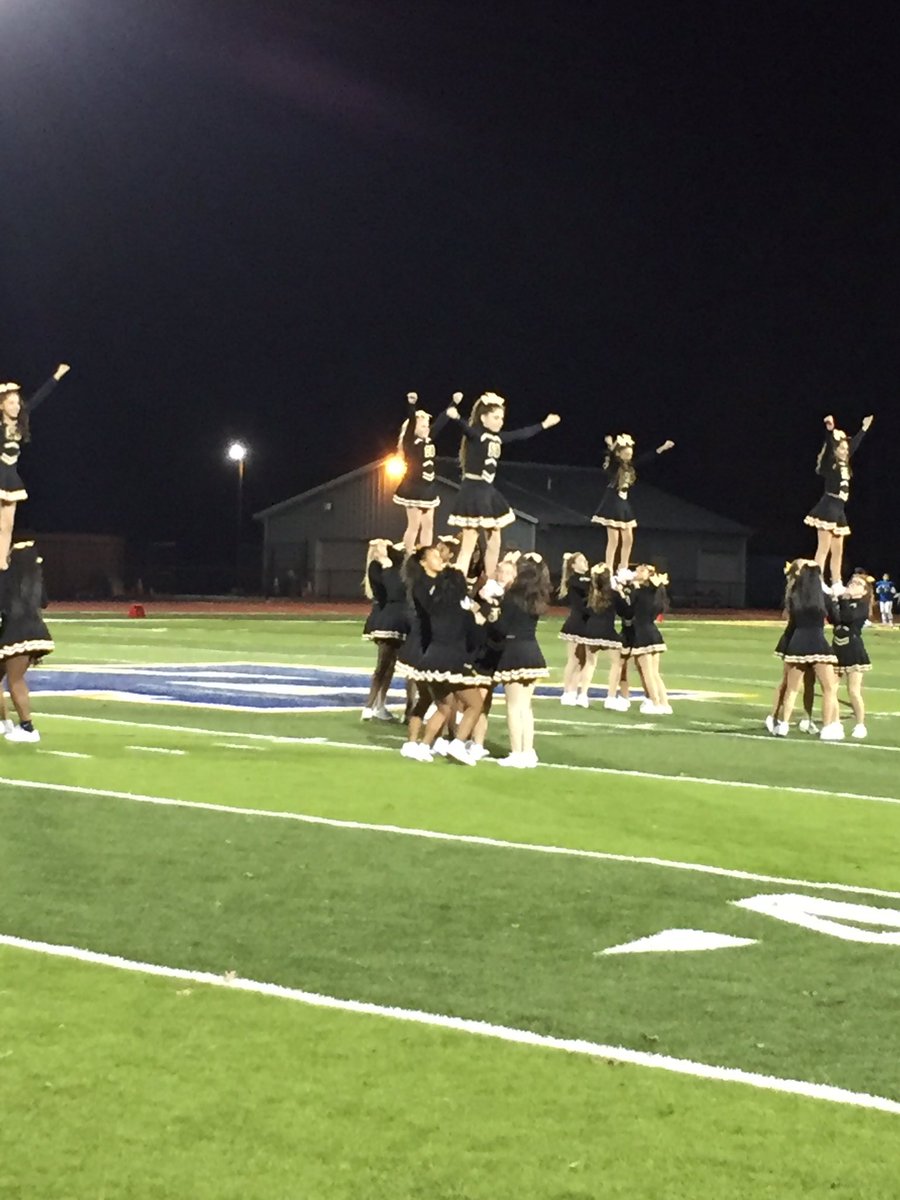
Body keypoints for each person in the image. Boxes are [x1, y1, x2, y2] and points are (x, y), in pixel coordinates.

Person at [446, 393, 561, 578]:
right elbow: (468, 429)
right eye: (496, 417)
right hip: (474, 491)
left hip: (488, 491)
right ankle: (457, 586)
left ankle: (491, 581)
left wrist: (544, 424)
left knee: (495, 539)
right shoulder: (477, 434)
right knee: (469, 541)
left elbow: (520, 435)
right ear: (483, 418)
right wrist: (457, 417)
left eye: (502, 418)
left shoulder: (496, 438)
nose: (500, 422)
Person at [406, 559, 492, 764]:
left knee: (445, 707)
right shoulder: (463, 614)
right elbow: (476, 640)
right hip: (452, 664)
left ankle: (424, 746)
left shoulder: (433, 610)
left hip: (429, 662)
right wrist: (480, 620)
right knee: (475, 704)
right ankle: (458, 743)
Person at [0, 365, 71, 568]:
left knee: (8, 524)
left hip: (10, 478)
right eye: (11, 403)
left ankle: (2, 562)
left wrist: (56, 376)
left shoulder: (21, 421)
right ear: (2, 406)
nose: (16, 406)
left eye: (17, 403)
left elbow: (39, 398)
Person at [486, 555, 552, 767]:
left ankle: (517, 753)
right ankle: (528, 751)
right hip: (533, 651)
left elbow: (501, 628)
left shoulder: (511, 595)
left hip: (514, 651)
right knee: (526, 707)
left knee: (514, 707)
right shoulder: (537, 595)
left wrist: (491, 614)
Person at [773, 560, 841, 739]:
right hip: (818, 642)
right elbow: (836, 619)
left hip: (797, 643)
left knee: (792, 689)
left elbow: (792, 623)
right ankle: (827, 728)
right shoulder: (822, 598)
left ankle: (784, 725)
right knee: (829, 688)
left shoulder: (793, 596)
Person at [804, 413, 873, 585]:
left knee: (838, 551)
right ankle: (817, 582)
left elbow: (854, 445)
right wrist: (831, 430)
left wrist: (864, 428)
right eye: (841, 448)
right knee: (823, 549)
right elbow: (830, 444)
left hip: (839, 510)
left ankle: (836, 583)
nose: (844, 451)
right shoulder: (830, 463)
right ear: (835, 450)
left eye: (845, 448)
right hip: (828, 506)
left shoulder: (845, 463)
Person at [591, 432, 674, 571]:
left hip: (623, 502)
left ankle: (623, 566)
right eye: (626, 454)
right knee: (614, 540)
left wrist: (662, 448)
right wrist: (612, 445)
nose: (629, 457)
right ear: (619, 454)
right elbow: (612, 458)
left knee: (628, 539)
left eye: (631, 454)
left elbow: (646, 458)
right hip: (612, 501)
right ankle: (609, 568)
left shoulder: (630, 466)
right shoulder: (614, 467)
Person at [0, 539, 55, 742]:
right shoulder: (34, 579)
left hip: (14, 632)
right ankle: (4, 723)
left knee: (14, 679)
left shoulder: (7, 577)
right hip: (32, 630)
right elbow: (45, 602)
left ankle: (28, 728)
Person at [392, 392, 454, 552]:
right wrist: (412, 405)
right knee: (414, 525)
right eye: (423, 426)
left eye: (427, 426)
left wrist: (453, 404)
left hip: (428, 486)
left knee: (428, 524)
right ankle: (408, 555)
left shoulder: (428, 439)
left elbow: (440, 423)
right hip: (413, 487)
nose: (427, 429)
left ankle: (425, 554)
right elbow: (412, 421)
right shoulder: (410, 441)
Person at [361, 540, 408, 721]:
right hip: (387, 618)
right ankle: (369, 705)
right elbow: (387, 592)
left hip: (393, 617)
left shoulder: (394, 567)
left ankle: (380, 705)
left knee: (390, 666)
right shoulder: (379, 568)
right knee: (382, 665)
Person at [618, 564, 671, 713]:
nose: (637, 572)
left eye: (641, 570)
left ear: (648, 575)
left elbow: (627, 612)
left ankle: (655, 703)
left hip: (642, 633)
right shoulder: (653, 592)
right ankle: (665, 704)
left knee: (648, 672)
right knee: (654, 673)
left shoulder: (640, 592)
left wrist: (622, 593)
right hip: (653, 631)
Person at [829, 574, 872, 739]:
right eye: (851, 582)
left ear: (864, 591)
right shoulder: (843, 601)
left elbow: (847, 618)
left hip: (853, 650)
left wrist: (843, 600)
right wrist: (834, 600)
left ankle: (860, 725)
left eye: (858, 584)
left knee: (853, 691)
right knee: (831, 689)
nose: (852, 585)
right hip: (836, 648)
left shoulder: (862, 606)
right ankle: (836, 723)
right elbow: (834, 619)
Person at [557, 552, 592, 706]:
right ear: (573, 565)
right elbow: (585, 587)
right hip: (577, 624)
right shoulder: (574, 580)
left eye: (585, 559)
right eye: (581, 560)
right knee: (574, 659)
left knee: (583, 661)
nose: (586, 562)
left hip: (587, 624)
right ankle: (567, 692)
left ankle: (575, 690)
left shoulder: (587, 579)